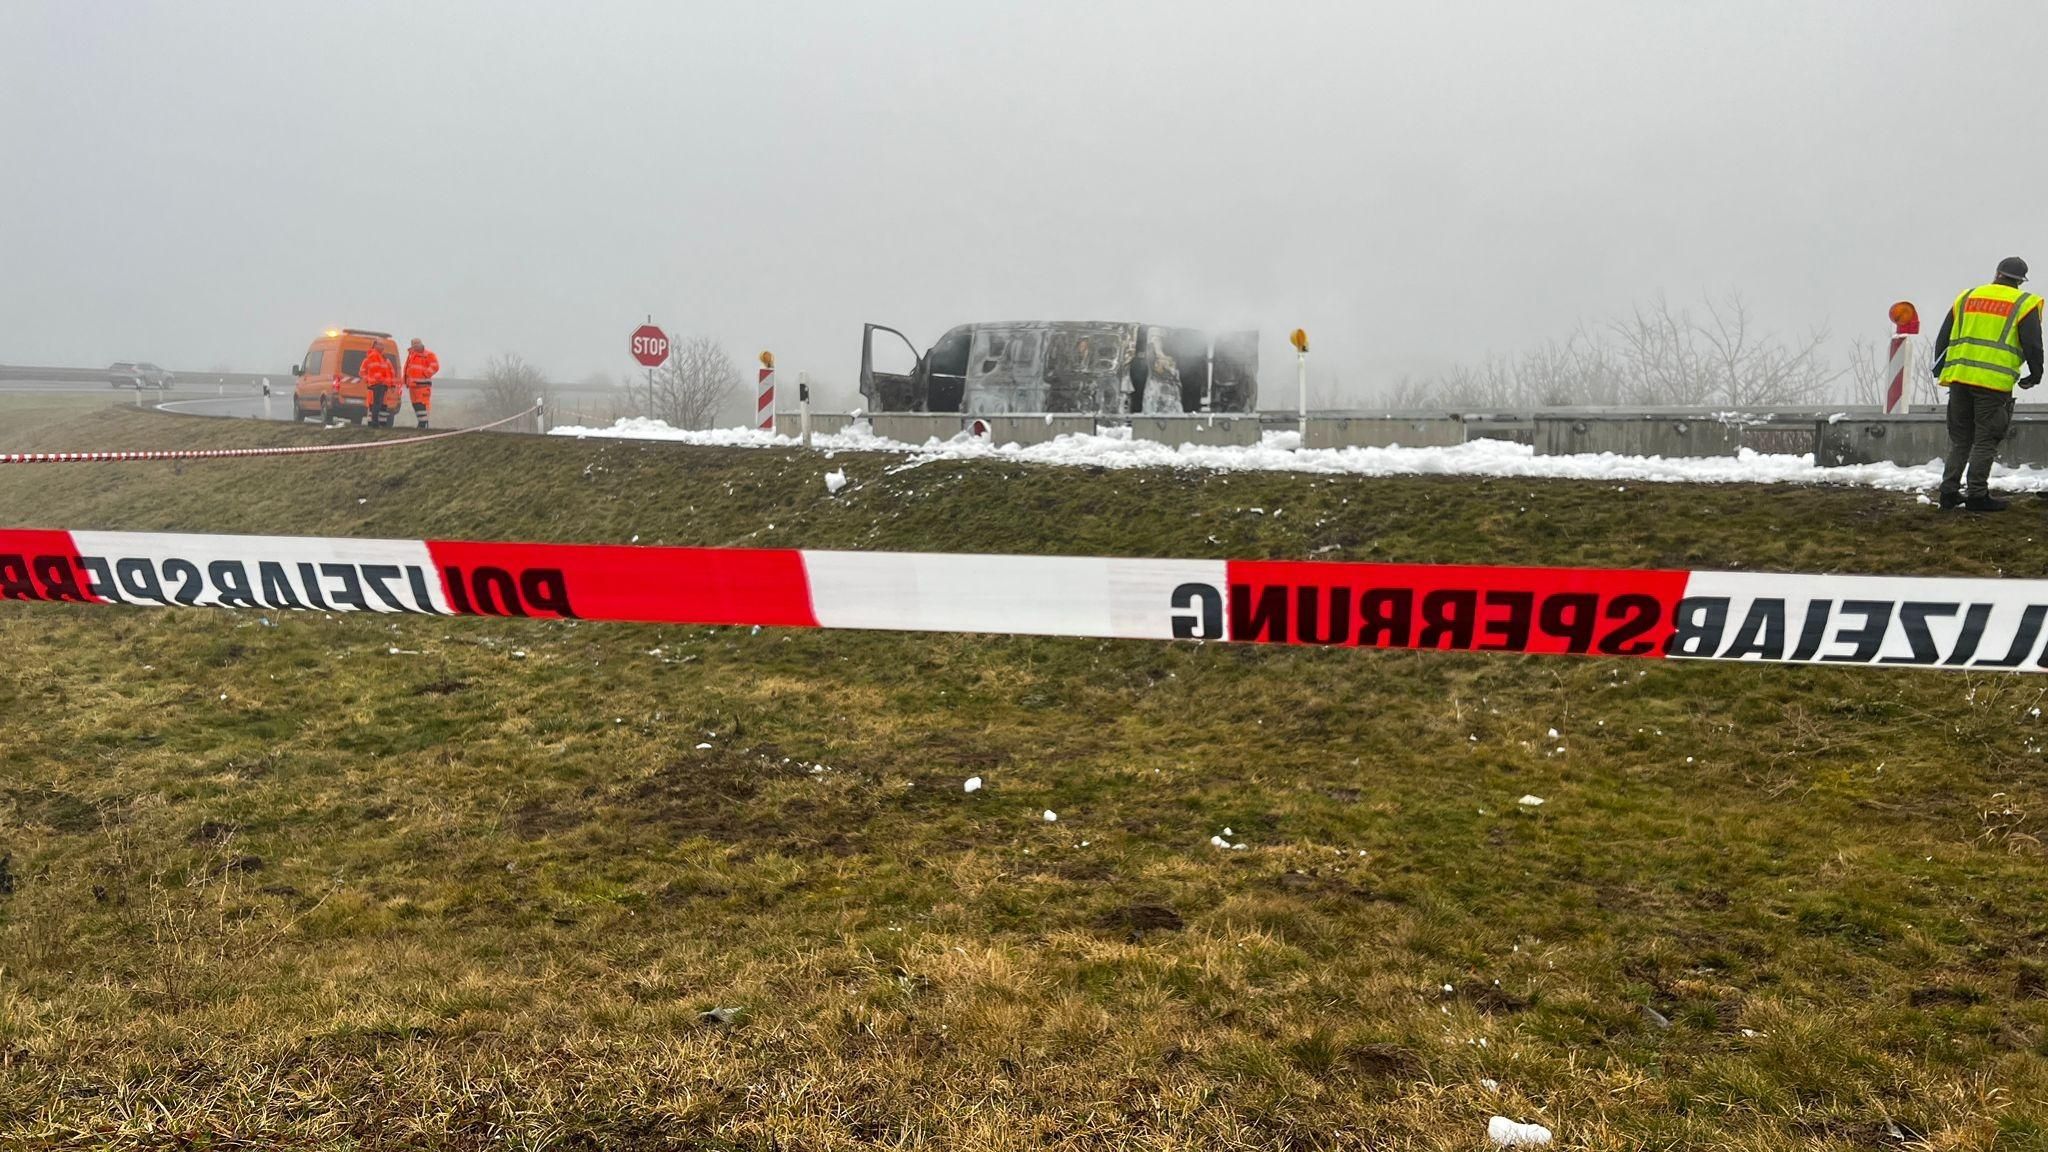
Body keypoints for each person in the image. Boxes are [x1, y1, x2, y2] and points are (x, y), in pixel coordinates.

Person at [1933, 257, 2044, 511]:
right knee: (1986, 439)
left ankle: (1948, 492)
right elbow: (2033, 344)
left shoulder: (1967, 296)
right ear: (2020, 281)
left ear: (1997, 273)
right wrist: (2035, 373)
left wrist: (1940, 368)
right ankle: (1977, 495)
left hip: (1959, 378)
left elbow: (1944, 335)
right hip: (1993, 385)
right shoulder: (2024, 304)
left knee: (1961, 439)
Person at [403, 337, 440, 429]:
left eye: (417, 343)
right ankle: (421, 423)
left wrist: (426, 373)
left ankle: (423, 424)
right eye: (413, 344)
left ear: (421, 343)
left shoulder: (428, 354)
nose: (415, 346)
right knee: (416, 405)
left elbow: (435, 366)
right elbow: (407, 369)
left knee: (422, 404)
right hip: (413, 386)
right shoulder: (411, 355)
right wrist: (405, 380)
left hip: (423, 385)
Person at [359, 345, 397, 428]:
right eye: (380, 346)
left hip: (384, 386)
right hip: (375, 385)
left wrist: (392, 384)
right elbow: (362, 372)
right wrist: (369, 379)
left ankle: (381, 424)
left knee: (382, 405)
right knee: (374, 405)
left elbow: (391, 373)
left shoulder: (386, 360)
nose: (383, 348)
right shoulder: (370, 359)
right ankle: (373, 424)